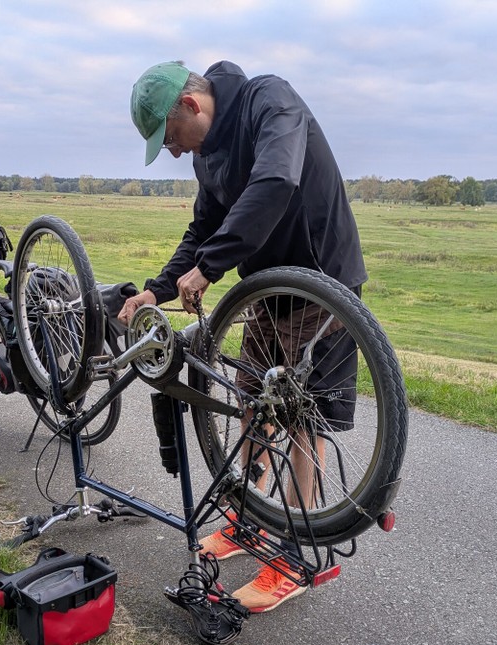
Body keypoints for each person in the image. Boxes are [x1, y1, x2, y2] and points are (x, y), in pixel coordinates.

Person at [122, 60, 367, 612]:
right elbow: (203, 227)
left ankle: (294, 554)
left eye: (171, 138)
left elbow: (276, 182)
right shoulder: (208, 154)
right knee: (254, 404)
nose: (175, 152)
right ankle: (249, 517)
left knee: (304, 419)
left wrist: (210, 267)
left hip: (321, 283)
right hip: (263, 292)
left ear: (190, 106)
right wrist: (155, 291)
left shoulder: (270, 103)